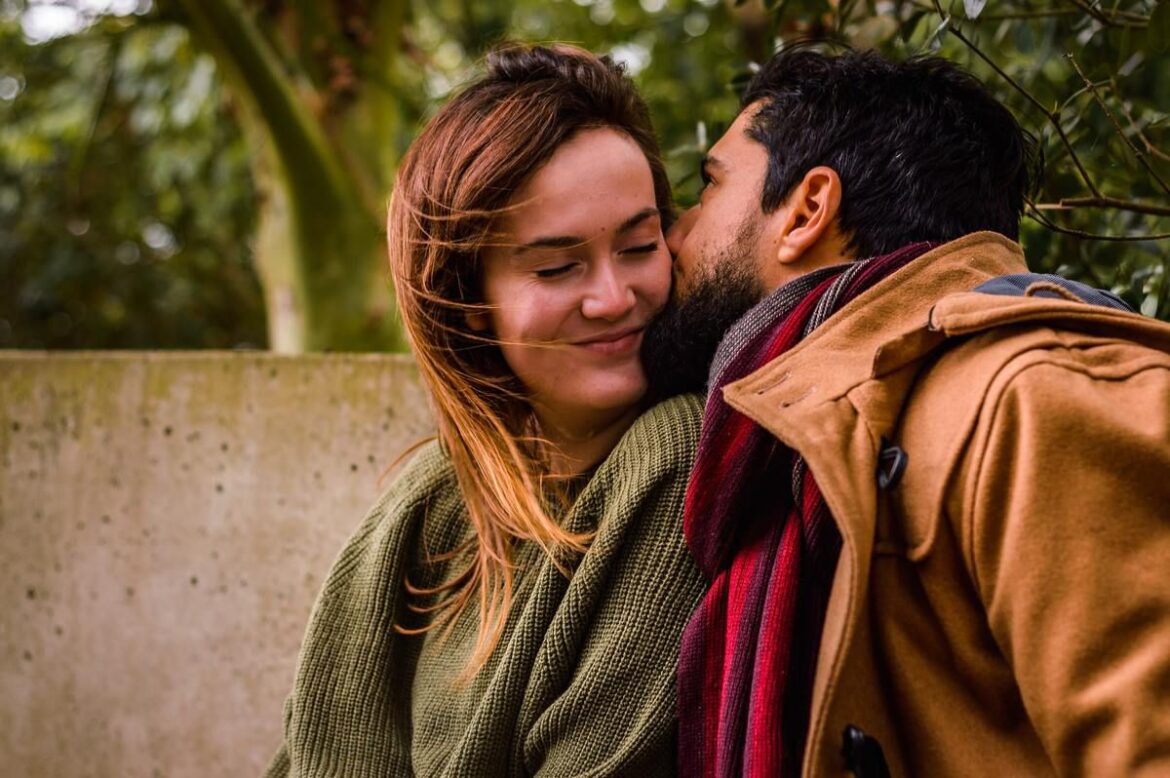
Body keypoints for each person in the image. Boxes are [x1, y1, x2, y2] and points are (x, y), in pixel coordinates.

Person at [642, 46, 1170, 777]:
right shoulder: (802, 445)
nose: (676, 235)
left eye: (710, 186)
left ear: (806, 211)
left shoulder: (1032, 396)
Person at [265, 43, 706, 777]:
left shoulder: (676, 452)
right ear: (468, 301)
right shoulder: (428, 499)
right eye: (557, 267)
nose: (613, 298)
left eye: (639, 245)